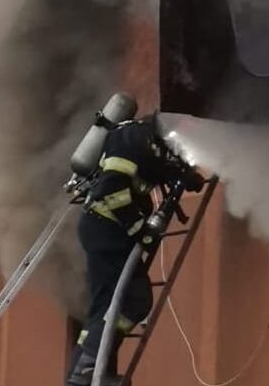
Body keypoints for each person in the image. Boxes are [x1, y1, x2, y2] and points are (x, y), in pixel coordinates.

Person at [66, 116, 204, 386]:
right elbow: (111, 187)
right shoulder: (132, 138)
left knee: (105, 307)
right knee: (134, 300)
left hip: (106, 230)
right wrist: (139, 229)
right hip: (107, 230)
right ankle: (88, 368)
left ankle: (82, 374)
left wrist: (184, 177)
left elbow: (155, 168)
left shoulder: (150, 143)